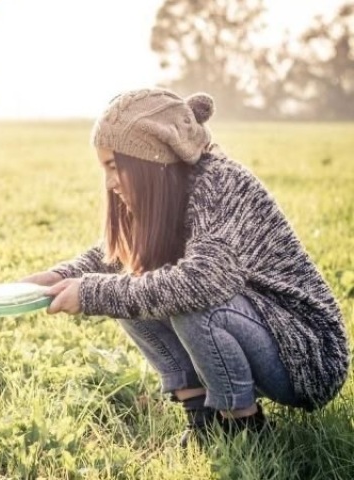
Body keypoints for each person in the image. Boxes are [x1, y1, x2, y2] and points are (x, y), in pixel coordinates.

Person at [22, 87, 349, 446]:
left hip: (306, 353)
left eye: (114, 167)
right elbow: (118, 257)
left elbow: (203, 282)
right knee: (126, 288)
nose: (111, 182)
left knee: (189, 306)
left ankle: (244, 429)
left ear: (149, 160)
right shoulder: (169, 186)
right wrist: (63, 276)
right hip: (257, 328)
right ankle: (203, 421)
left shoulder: (221, 183)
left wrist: (92, 292)